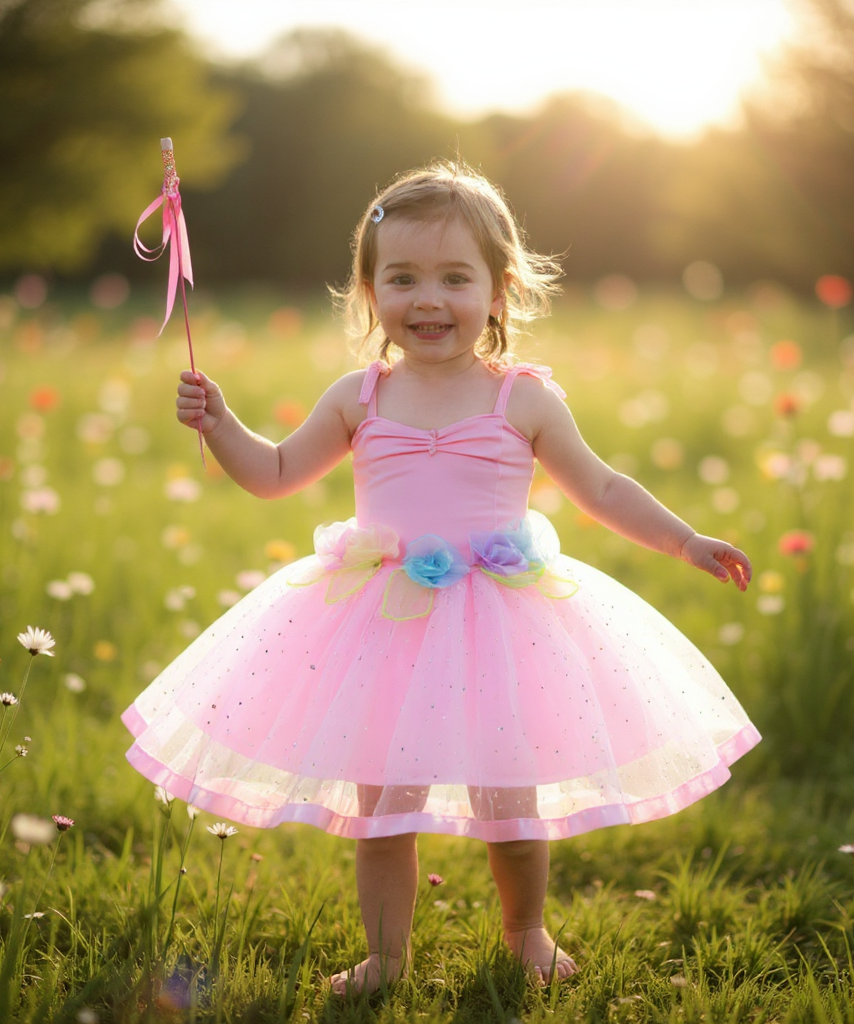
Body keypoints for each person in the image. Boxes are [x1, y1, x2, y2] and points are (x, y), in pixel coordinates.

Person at [122, 163, 758, 996]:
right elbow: (275, 471)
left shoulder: (521, 400)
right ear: (370, 290)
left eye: (456, 278)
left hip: (500, 622)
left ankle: (526, 931)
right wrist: (222, 423)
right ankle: (386, 955)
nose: (429, 299)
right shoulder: (360, 397)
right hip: (382, 623)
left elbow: (600, 487)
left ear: (499, 291)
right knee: (383, 808)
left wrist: (684, 540)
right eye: (404, 278)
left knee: (512, 804)